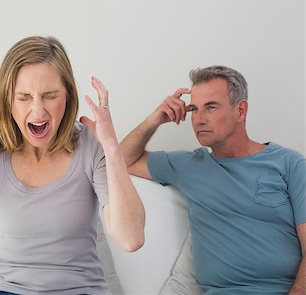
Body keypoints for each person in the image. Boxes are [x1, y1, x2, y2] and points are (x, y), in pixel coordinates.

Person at [0, 36, 145, 295]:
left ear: (67, 95)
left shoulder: (91, 145)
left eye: (49, 96)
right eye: (23, 97)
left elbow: (131, 238)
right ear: (7, 100)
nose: (37, 111)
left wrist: (112, 147)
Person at [120, 65, 306, 294]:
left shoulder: (290, 164)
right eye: (194, 109)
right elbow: (121, 160)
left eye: (211, 107)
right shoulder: (187, 166)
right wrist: (154, 119)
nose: (198, 120)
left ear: (240, 110)